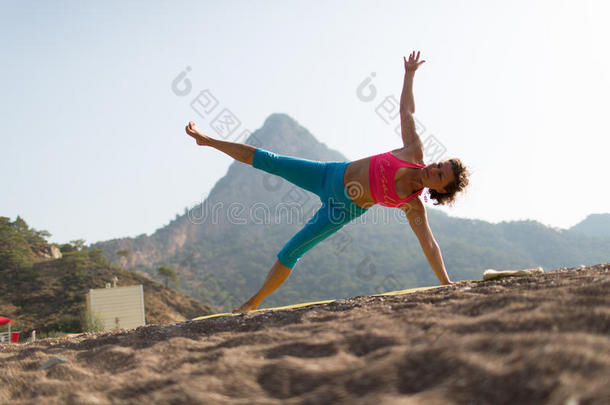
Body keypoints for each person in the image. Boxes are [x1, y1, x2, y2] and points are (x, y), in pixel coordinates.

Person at [185, 51, 470, 313]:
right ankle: (207, 140)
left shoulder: (413, 207)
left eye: (440, 175)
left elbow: (429, 245)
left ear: (440, 190)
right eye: (440, 164)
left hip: (341, 210)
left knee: (292, 251)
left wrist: (447, 283)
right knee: (272, 160)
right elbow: (407, 112)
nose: (435, 168)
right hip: (329, 174)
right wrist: (409, 75)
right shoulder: (413, 152)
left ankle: (252, 303)